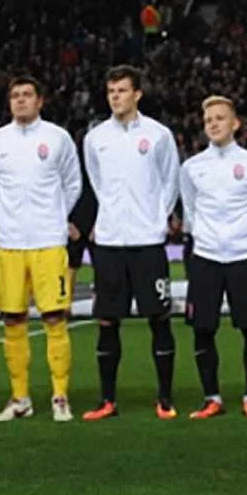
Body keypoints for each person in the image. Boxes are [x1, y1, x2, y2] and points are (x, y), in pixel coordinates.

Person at [81, 66, 181, 421]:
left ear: (137, 94)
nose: (116, 97)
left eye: (122, 90)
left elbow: (170, 181)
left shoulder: (158, 135)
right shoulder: (95, 138)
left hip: (147, 242)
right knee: (107, 321)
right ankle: (107, 400)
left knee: (158, 318)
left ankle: (165, 398)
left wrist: (157, 219)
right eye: (111, 91)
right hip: (110, 242)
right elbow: (96, 182)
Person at [0, 75, 83, 423]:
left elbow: (73, 184)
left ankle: (60, 396)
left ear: (40, 101)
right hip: (10, 242)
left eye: (27, 95)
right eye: (15, 95)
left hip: (48, 242)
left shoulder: (57, 138)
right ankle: (20, 398)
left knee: (55, 316)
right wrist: (11, 217)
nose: (21, 100)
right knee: (12, 318)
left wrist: (54, 218)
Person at [179, 95, 247, 419]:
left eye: (220, 118)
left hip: (243, 257)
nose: (213, 124)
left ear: (235, 123)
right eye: (208, 120)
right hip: (205, 258)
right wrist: (202, 237)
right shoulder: (192, 168)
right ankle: (212, 398)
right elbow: (190, 210)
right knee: (203, 329)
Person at [67, 125, 97, 301]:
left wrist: (100, 223)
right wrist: (67, 222)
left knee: (101, 266)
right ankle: (64, 304)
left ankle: (102, 302)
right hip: (76, 224)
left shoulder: (101, 165)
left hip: (95, 223)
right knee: (70, 265)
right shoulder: (69, 167)